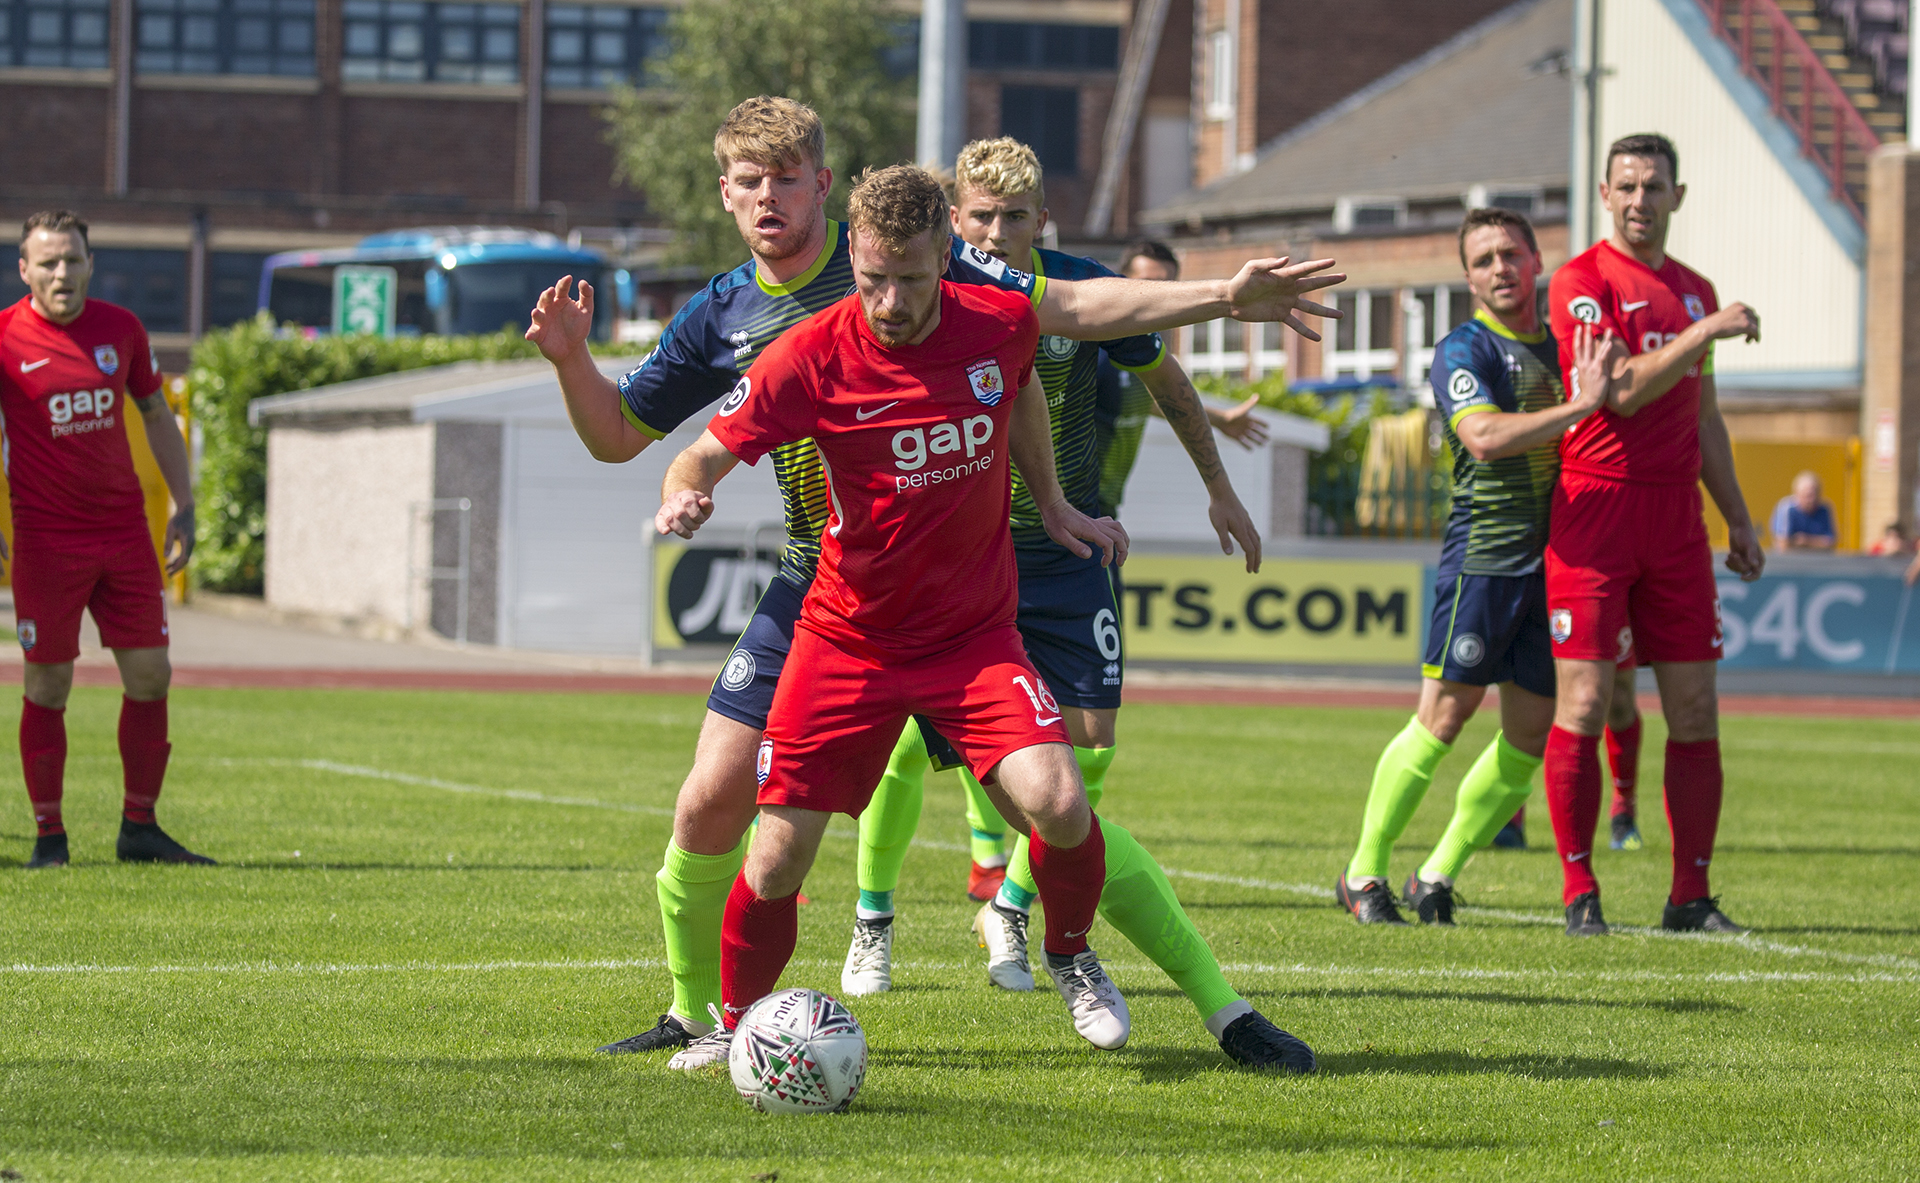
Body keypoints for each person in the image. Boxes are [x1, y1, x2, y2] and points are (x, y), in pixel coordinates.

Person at [524, 96, 1342, 1061]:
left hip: (967, 597)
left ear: (828, 188)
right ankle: (701, 1014)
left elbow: (1057, 322)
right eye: (749, 181)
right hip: (824, 589)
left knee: (1058, 803)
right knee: (719, 804)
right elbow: (634, 439)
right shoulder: (740, 321)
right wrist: (580, 370)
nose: (768, 197)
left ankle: (1208, 1003)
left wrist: (1206, 305)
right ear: (726, 195)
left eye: (787, 176)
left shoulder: (924, 251)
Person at [839, 141, 1312, 1069]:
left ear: (1042, 222)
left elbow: (1158, 369)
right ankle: (875, 918)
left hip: (1065, 551)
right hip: (960, 569)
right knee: (909, 756)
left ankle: (1020, 911)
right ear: (949, 226)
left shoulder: (1060, 295)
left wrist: (1217, 485)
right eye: (979, 217)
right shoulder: (921, 299)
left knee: (1080, 765)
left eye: (1015, 218)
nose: (996, 235)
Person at [1336, 209, 1616, 925]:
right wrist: (1584, 404)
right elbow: (1484, 437)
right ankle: (1364, 871)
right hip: (1485, 558)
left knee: (1530, 730)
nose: (1500, 268)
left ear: (1536, 259)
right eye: (1485, 258)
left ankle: (1437, 875)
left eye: (1510, 254)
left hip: (1554, 565)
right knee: (1445, 714)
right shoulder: (1465, 349)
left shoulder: (1565, 346)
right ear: (1468, 277)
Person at [1544, 133, 1765, 937]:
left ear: (1678, 195)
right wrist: (1702, 337)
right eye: (1627, 186)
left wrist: (1736, 516)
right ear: (1604, 194)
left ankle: (1690, 897)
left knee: (1697, 709)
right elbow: (1621, 394)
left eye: (1655, 186)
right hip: (1596, 511)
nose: (1641, 200)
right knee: (1589, 698)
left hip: (1676, 519)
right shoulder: (1581, 282)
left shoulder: (1695, 291)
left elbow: (1704, 418)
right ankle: (1579, 890)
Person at [2, 210, 208, 869]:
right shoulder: (4, 338)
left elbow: (156, 416)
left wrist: (184, 501)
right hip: (45, 538)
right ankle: (49, 839)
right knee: (48, 685)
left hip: (123, 534)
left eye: (74, 259)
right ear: (25, 269)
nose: (63, 272)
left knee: (151, 676)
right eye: (50, 261)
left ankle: (139, 829)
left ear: (91, 263)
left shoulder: (122, 330)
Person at [1769, 471, 1838, 552]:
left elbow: (1831, 542)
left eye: (1815, 495)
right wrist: (1818, 542)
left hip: (1818, 561)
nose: (1812, 500)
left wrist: (1806, 541)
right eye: (1808, 496)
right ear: (1797, 494)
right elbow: (1782, 543)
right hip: (1791, 561)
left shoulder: (1824, 509)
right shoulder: (1787, 509)